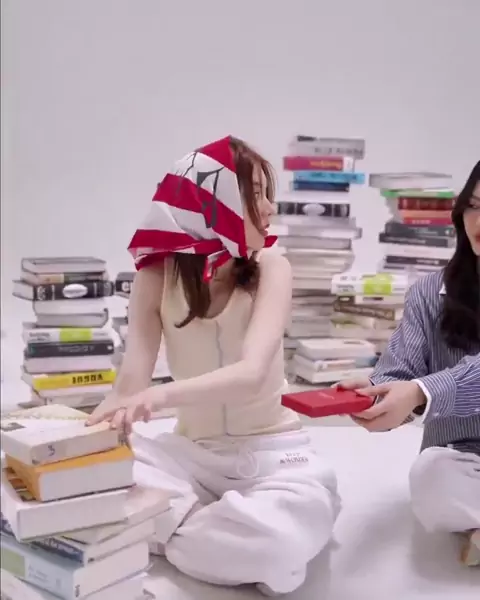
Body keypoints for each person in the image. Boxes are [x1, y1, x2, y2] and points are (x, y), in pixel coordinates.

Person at [87, 136, 339, 595]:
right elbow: (130, 386)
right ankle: (233, 544)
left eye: (267, 193)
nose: (270, 208)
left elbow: (251, 374)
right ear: (211, 201)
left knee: (281, 539)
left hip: (275, 456)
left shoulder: (272, 267)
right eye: (255, 194)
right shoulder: (154, 276)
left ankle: (167, 531)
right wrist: (80, 440)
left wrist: (160, 395)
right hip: (191, 455)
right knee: (102, 473)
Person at [338, 161, 480, 538]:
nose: (479, 220)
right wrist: (376, 394)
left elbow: (421, 389)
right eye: (474, 205)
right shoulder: (429, 293)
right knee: (431, 478)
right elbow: (401, 373)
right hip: (461, 458)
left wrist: (421, 391)